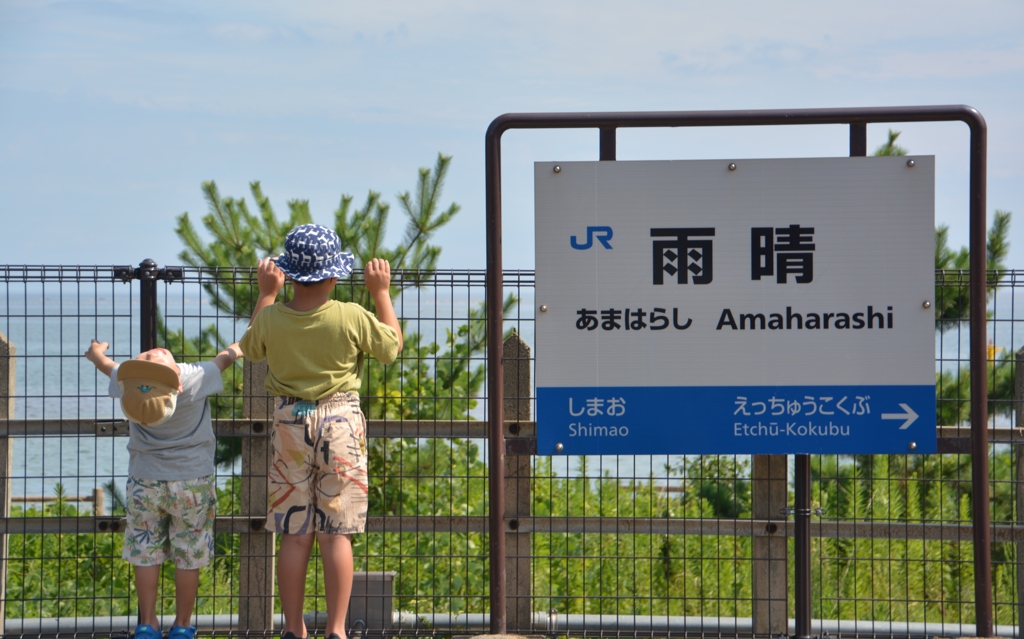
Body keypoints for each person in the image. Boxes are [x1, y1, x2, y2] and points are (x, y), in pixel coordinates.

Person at [240, 223, 402, 639]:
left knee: (294, 534)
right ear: (334, 276)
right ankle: (336, 629)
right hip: (341, 422)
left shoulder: (273, 318)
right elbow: (390, 348)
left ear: (288, 272)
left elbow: (251, 348)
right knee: (337, 533)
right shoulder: (349, 314)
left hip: (290, 422)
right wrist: (381, 292)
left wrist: (266, 293)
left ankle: (294, 629)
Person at [85, 339, 243, 639]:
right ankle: (182, 625)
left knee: (145, 553)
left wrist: (95, 353)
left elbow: (104, 364)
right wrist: (247, 335)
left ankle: (148, 624)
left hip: (145, 482)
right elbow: (228, 356)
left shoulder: (129, 381)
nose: (155, 352)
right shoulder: (194, 377)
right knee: (189, 554)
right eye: (150, 357)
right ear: (176, 385)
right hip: (193, 483)